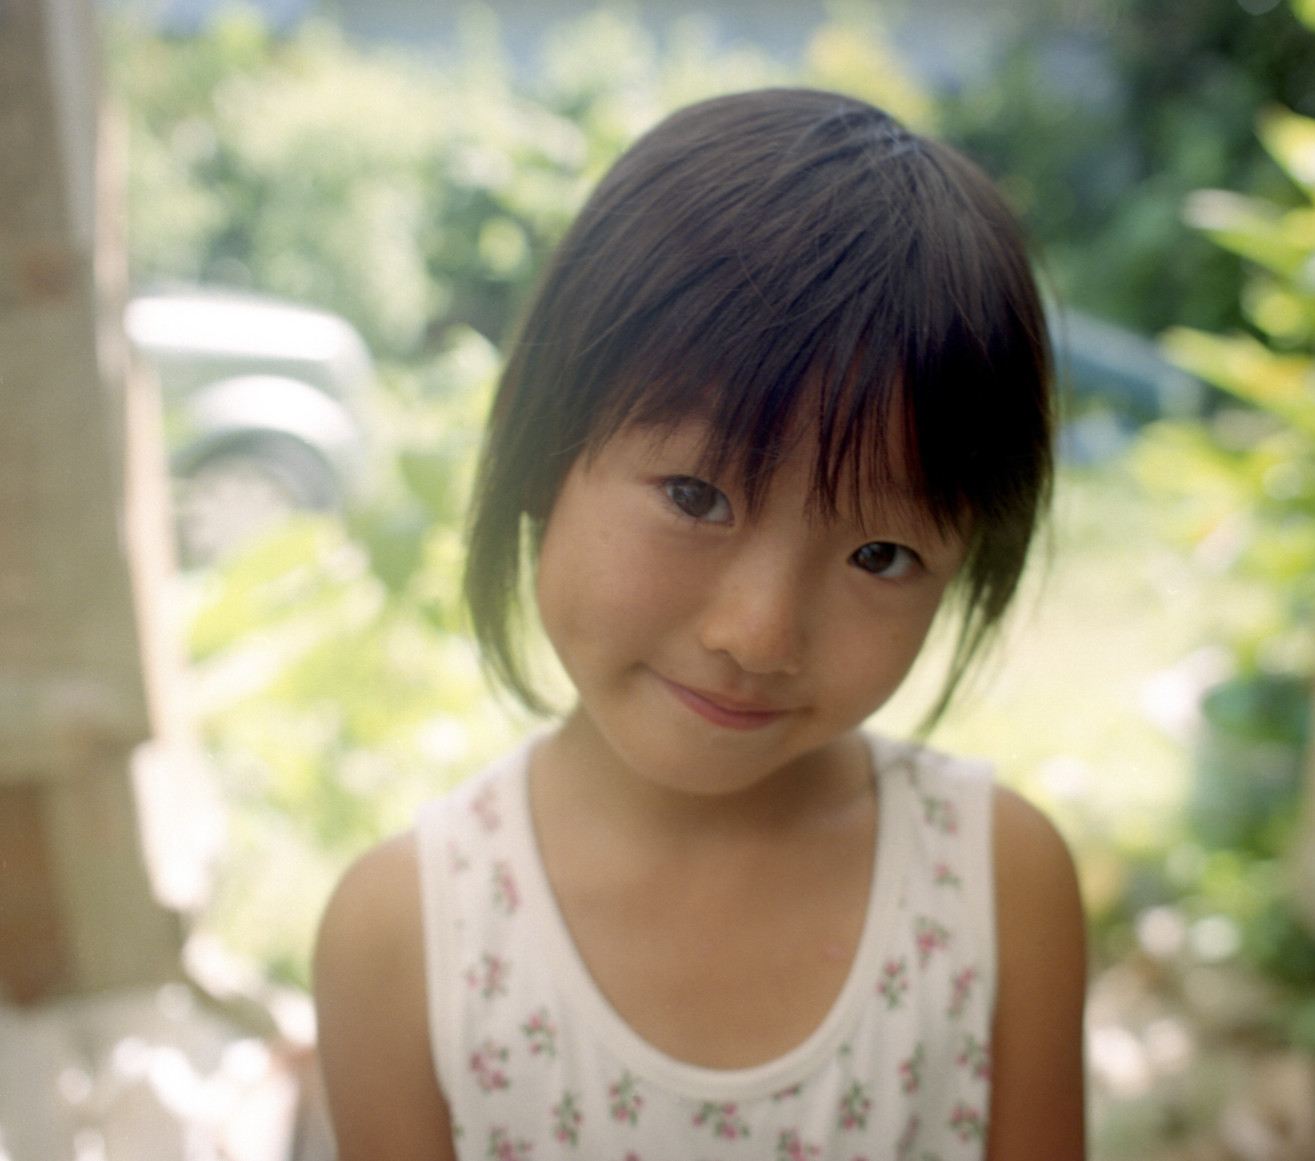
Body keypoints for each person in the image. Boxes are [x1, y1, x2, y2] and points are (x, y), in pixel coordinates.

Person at [313, 88, 1086, 1161]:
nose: (759, 633)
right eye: (694, 496)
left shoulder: (998, 892)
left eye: (880, 556)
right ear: (546, 446)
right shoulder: (407, 937)